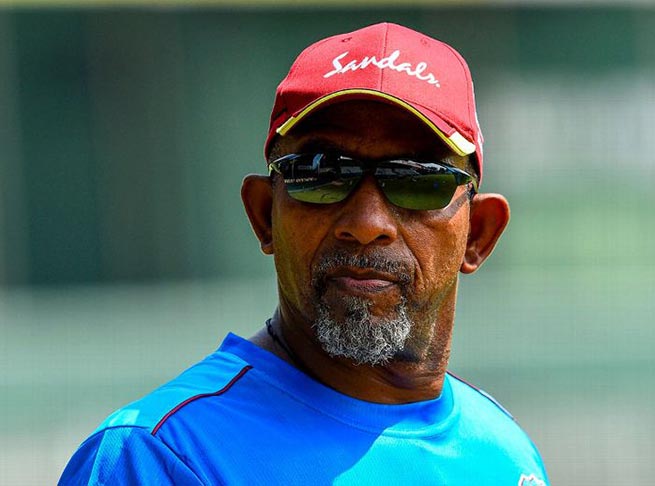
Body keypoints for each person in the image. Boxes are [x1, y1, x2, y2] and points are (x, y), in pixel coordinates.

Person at [61, 22, 549, 485]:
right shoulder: (161, 458)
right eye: (321, 174)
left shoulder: (504, 455)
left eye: (419, 181)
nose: (367, 225)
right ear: (264, 215)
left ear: (478, 234)